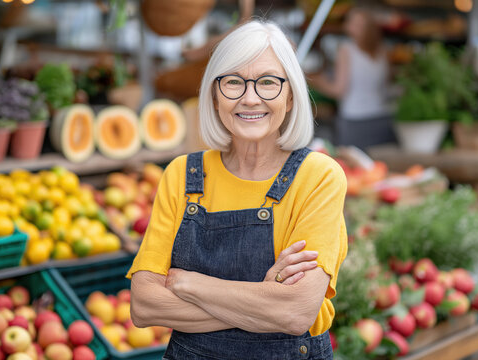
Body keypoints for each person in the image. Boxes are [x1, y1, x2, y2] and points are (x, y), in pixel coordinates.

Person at [128, 20, 347, 359]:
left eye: (268, 83)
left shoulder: (318, 177)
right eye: (233, 82)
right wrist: (263, 299)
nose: (250, 98)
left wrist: (191, 284)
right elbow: (144, 306)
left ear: (290, 96)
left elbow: (294, 312)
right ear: (215, 95)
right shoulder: (181, 175)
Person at [310, 8, 395, 149]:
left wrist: (313, 80)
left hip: (355, 119)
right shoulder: (383, 49)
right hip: (382, 117)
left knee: (353, 166)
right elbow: (387, 84)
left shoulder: (346, 49)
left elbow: (338, 90)